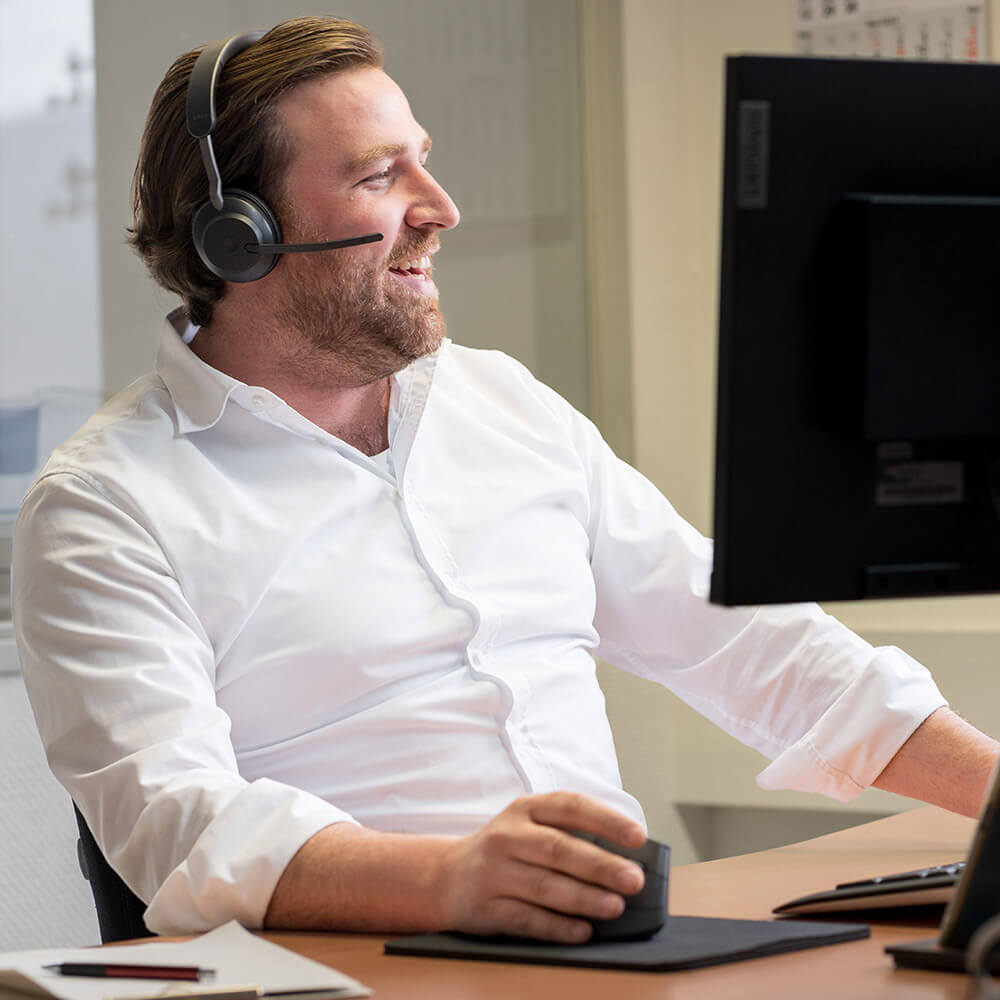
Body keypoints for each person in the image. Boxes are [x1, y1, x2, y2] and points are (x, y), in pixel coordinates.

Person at [12, 15, 998, 943]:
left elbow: (758, 648)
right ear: (241, 233)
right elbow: (179, 826)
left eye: (423, 164)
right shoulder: (106, 505)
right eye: (377, 177)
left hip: (598, 955)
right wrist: (446, 879)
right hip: (347, 970)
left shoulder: (502, 405)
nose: (439, 211)